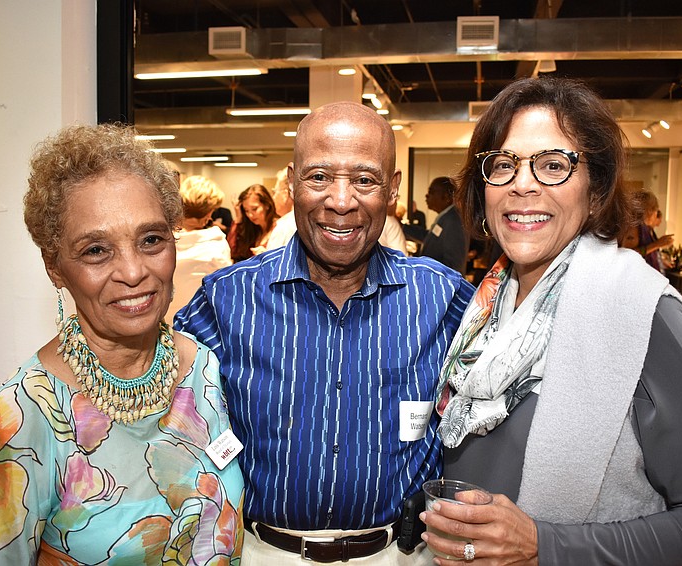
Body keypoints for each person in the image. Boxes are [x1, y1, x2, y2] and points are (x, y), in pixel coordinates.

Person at [420, 76, 682, 564]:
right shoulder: (482, 310)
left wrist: (545, 545)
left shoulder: (646, 313)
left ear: (595, 190)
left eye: (554, 165)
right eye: (504, 165)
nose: (522, 184)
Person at [175, 101, 474, 564]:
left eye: (365, 180)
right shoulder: (225, 300)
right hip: (262, 553)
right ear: (292, 181)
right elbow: (159, 416)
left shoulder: (442, 297)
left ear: (392, 188)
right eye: (318, 177)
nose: (341, 201)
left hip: (400, 554)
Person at [0, 124, 243, 564]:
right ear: (55, 267)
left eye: (151, 240)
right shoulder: (25, 415)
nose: (133, 271)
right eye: (96, 250)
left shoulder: (203, 368)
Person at [167, 175, 232, 323]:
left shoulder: (164, 240)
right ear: (209, 213)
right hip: (199, 321)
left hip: (165, 319)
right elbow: (227, 288)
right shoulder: (216, 243)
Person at [403, 176, 470, 274]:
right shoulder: (445, 217)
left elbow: (454, 265)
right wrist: (402, 228)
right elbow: (428, 237)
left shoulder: (453, 220)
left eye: (431, 192)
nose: (426, 196)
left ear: (446, 197)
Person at [620, 188, 674, 272]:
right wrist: (657, 244)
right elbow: (628, 253)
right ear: (649, 210)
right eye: (655, 211)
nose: (656, 215)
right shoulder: (634, 227)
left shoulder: (645, 228)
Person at [227, 183, 278, 262]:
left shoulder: (280, 227)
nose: (250, 215)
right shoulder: (253, 229)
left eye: (254, 209)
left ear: (267, 205)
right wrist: (238, 218)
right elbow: (232, 252)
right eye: (246, 211)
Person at [262, 167, 297, 251]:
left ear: (285, 194)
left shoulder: (284, 226)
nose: (273, 198)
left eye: (274, 192)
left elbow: (274, 259)